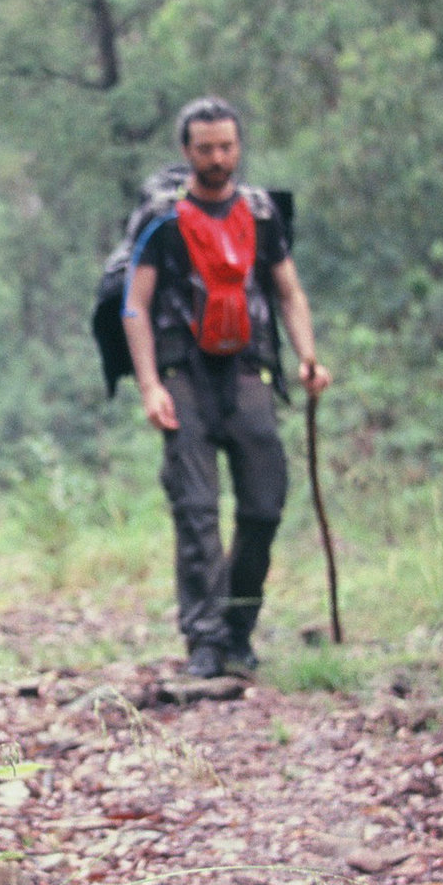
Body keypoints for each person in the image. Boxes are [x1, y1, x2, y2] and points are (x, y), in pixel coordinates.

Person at [117, 98, 329, 678]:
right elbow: (134, 306)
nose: (218, 158)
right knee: (197, 510)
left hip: (248, 369)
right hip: (183, 372)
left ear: (238, 146)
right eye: (206, 148)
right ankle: (206, 641)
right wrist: (149, 387)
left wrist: (308, 355)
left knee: (264, 505)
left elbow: (288, 291)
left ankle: (239, 628)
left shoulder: (260, 214)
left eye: (227, 146)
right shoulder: (162, 218)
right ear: (187, 152)